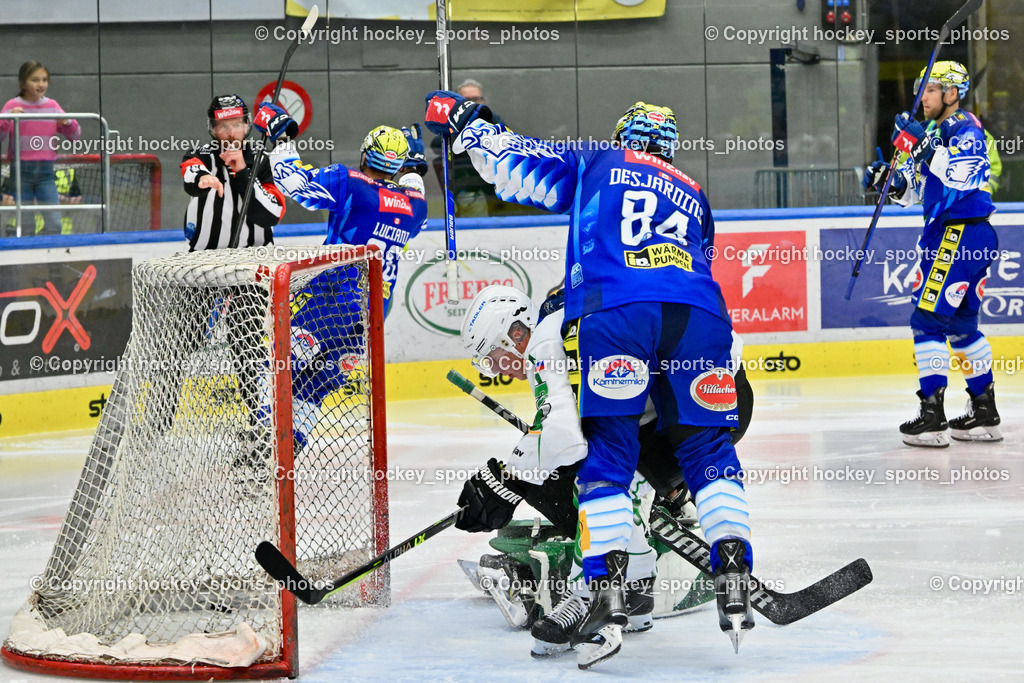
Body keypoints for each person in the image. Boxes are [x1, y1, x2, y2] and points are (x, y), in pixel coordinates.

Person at [426, 94, 755, 666]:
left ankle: (604, 591)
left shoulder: (599, 163)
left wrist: (469, 126)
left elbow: (514, 163)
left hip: (617, 313)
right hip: (706, 324)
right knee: (706, 448)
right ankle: (733, 561)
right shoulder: (696, 195)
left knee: (604, 454)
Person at [455, 284, 754, 660]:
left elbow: (565, 440)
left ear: (516, 332)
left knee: (591, 472)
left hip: (681, 406)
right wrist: (510, 477)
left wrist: (510, 479)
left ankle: (592, 593)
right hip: (718, 387)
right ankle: (641, 583)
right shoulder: (578, 307)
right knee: (593, 460)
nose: (497, 369)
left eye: (494, 356)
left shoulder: (548, 335)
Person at [255, 103, 428, 446]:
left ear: (365, 154)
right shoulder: (416, 207)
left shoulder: (350, 182)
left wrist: (282, 137)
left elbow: (296, 184)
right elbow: (412, 183)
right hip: (374, 313)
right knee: (314, 385)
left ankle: (260, 439)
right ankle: (290, 448)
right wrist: (412, 159)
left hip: (332, 296)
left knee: (280, 364)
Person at [863, 61, 1001, 447]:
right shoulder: (937, 131)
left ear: (952, 94)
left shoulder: (965, 128)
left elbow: (963, 176)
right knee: (961, 328)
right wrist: (889, 182)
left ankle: (932, 417)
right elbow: (916, 194)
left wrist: (923, 146)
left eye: (931, 90)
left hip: (958, 236)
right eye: (922, 90)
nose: (922, 97)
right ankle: (985, 413)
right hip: (962, 235)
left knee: (927, 322)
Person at [180, 94, 286, 250]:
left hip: (257, 258)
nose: (230, 133)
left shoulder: (265, 162)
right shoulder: (200, 156)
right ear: (213, 129)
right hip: (205, 259)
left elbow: (271, 216)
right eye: (223, 126)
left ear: (246, 126)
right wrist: (203, 178)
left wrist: (244, 173)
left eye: (236, 125)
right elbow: (191, 173)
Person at [0, 60, 80, 235]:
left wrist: (67, 123)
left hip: (46, 172)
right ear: (23, 83)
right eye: (35, 80)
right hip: (20, 171)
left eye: (44, 80)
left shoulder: (52, 106)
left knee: (54, 223)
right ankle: (26, 261)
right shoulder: (12, 106)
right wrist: (6, 118)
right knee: (26, 226)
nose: (41, 84)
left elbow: (75, 135)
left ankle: (50, 260)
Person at [430, 79, 507, 217]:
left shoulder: (493, 119)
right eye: (467, 100)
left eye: (477, 99)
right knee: (473, 204)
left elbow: (506, 141)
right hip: (464, 186)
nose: (473, 103)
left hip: (493, 186)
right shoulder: (452, 122)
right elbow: (436, 145)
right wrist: (459, 129)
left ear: (483, 101)